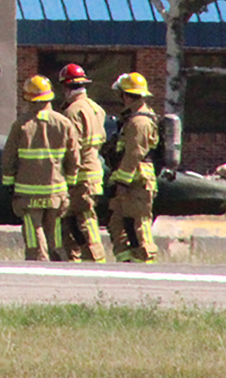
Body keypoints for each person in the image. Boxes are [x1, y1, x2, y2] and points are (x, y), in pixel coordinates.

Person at [3, 75, 79, 261]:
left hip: (28, 193)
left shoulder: (21, 125)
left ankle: (38, 263)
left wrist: (8, 183)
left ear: (28, 98)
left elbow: (8, 158)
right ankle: (57, 262)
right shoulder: (64, 123)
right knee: (54, 232)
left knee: (33, 231)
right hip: (55, 191)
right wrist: (69, 184)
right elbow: (74, 158)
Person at [107, 71, 160, 263]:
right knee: (117, 225)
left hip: (137, 181)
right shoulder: (132, 118)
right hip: (129, 181)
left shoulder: (140, 122)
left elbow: (134, 153)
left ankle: (144, 264)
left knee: (138, 225)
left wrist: (122, 180)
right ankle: (127, 264)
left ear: (126, 95)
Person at [58, 63, 108, 262]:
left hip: (80, 176)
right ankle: (79, 259)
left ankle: (95, 259)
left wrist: (67, 176)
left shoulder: (72, 112)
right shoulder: (97, 109)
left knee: (84, 220)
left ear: (66, 87)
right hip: (95, 172)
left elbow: (72, 149)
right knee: (77, 220)